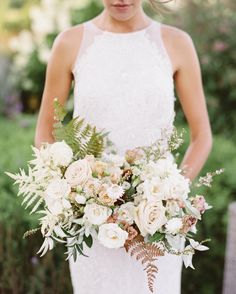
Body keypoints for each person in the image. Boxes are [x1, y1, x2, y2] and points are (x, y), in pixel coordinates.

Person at [34, 0, 212, 293]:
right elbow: (44, 130)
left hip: (157, 226)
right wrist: (75, 191)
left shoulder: (177, 43)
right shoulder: (70, 42)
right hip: (92, 223)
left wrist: (170, 197)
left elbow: (202, 135)